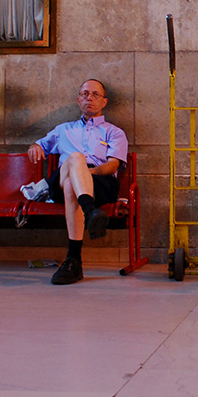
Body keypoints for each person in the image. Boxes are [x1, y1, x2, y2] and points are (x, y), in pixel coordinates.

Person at [27, 79, 128, 285]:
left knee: (75, 177)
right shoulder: (63, 129)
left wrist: (85, 172)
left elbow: (112, 165)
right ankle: (90, 210)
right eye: (84, 94)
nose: (89, 98)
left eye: (95, 94)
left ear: (104, 102)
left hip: (100, 181)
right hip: (61, 180)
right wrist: (35, 146)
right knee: (74, 158)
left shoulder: (114, 132)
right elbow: (40, 145)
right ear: (78, 100)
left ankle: (74, 260)